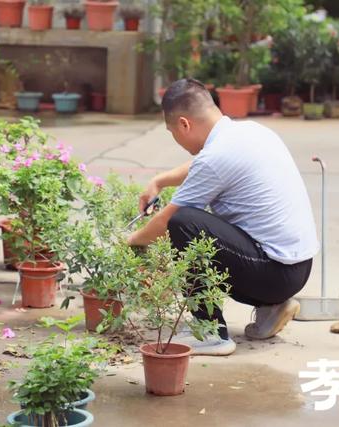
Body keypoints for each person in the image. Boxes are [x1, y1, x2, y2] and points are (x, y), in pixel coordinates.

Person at [127, 78, 319, 356]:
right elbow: (202, 163)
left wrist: (131, 242)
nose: (176, 140)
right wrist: (159, 181)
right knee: (193, 223)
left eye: (172, 132)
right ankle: (272, 308)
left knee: (183, 223)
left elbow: (167, 220)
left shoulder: (216, 157)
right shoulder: (250, 131)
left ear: (184, 124)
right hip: (297, 268)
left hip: (274, 273)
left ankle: (210, 332)